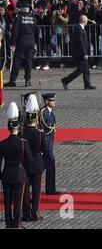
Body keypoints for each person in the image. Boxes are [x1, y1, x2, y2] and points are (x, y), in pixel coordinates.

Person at [0, 102, 32, 228]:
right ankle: (17, 224)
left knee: (7, 202)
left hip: (7, 174)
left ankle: (8, 224)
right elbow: (29, 160)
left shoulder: (2, 144)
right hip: (19, 174)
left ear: (8, 128)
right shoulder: (23, 143)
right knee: (18, 201)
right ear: (18, 128)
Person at [21, 94, 47, 222]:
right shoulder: (40, 134)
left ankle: (25, 213)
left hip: (25, 163)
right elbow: (45, 150)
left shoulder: (21, 132)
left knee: (25, 190)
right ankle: (34, 213)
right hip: (37, 164)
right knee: (36, 190)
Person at [5, 3, 37, 88]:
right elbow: (35, 30)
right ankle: (28, 80)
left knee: (17, 61)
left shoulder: (18, 18)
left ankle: (12, 81)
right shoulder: (33, 19)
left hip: (21, 42)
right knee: (28, 61)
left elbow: (14, 32)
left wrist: (12, 43)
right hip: (31, 42)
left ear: (22, 9)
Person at [61, 15, 96, 90]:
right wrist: (84, 54)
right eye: (87, 20)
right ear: (84, 21)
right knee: (80, 69)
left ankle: (87, 84)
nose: (87, 22)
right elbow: (81, 43)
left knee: (86, 69)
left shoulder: (80, 28)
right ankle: (66, 80)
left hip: (81, 52)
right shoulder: (79, 29)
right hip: (80, 54)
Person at [39, 93, 59, 195]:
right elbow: (43, 128)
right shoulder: (43, 112)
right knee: (49, 163)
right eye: (52, 100)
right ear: (47, 101)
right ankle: (50, 189)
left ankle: (50, 188)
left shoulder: (50, 113)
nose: (55, 102)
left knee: (49, 164)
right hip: (45, 142)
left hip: (49, 142)